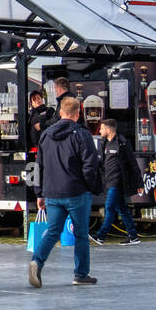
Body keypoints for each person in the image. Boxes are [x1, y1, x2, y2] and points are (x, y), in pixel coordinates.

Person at [28, 96, 103, 288]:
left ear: (61, 112)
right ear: (78, 113)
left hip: (52, 192)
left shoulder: (46, 134)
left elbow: (39, 165)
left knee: (53, 231)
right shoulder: (82, 134)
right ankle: (81, 274)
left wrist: (39, 193)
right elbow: (90, 163)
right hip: (76, 190)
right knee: (80, 233)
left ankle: (37, 260)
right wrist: (91, 186)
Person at [92, 118, 144, 247]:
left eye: (102, 128)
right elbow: (102, 162)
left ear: (109, 130)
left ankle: (100, 236)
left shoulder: (122, 143)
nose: (100, 130)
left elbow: (133, 164)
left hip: (118, 181)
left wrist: (139, 183)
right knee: (122, 209)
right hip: (108, 181)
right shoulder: (104, 143)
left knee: (109, 208)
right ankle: (133, 237)